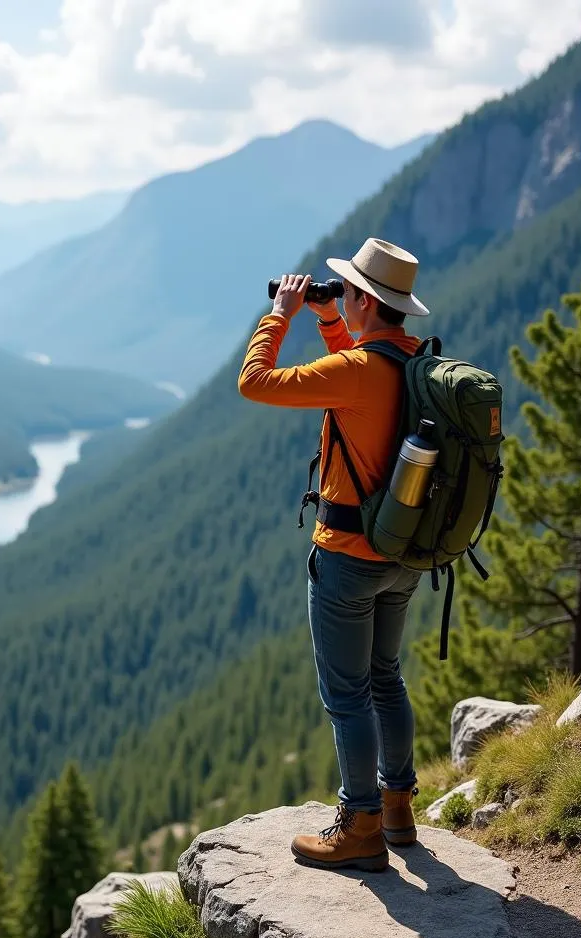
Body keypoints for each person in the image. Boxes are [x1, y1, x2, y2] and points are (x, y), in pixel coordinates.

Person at [237, 237, 430, 873]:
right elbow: (357, 380)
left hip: (347, 557)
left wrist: (282, 315)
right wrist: (327, 320)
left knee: (347, 695)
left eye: (345, 292)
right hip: (402, 553)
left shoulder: (355, 371)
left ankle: (360, 824)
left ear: (365, 300)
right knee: (386, 677)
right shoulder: (410, 363)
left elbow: (254, 383)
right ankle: (398, 806)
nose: (339, 297)